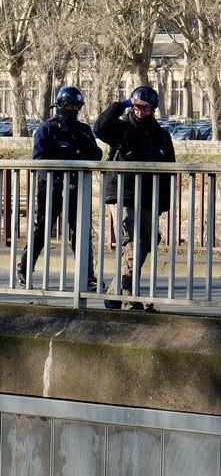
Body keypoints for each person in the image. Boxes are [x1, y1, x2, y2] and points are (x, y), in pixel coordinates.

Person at [95, 85, 176, 310]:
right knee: (132, 242)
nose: (140, 111)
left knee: (147, 242)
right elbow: (99, 128)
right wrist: (122, 104)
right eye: (137, 106)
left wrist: (163, 204)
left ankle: (114, 294)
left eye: (145, 107)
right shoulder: (121, 128)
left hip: (149, 198)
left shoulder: (161, 136)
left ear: (153, 109)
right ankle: (129, 300)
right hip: (123, 195)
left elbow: (168, 170)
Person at [17, 86, 103, 290]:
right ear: (60, 105)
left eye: (76, 105)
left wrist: (86, 143)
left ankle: (87, 275)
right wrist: (55, 177)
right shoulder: (47, 128)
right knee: (42, 229)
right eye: (69, 105)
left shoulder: (83, 129)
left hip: (78, 187)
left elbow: (96, 156)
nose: (73, 109)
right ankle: (25, 268)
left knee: (81, 231)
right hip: (52, 186)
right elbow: (38, 160)